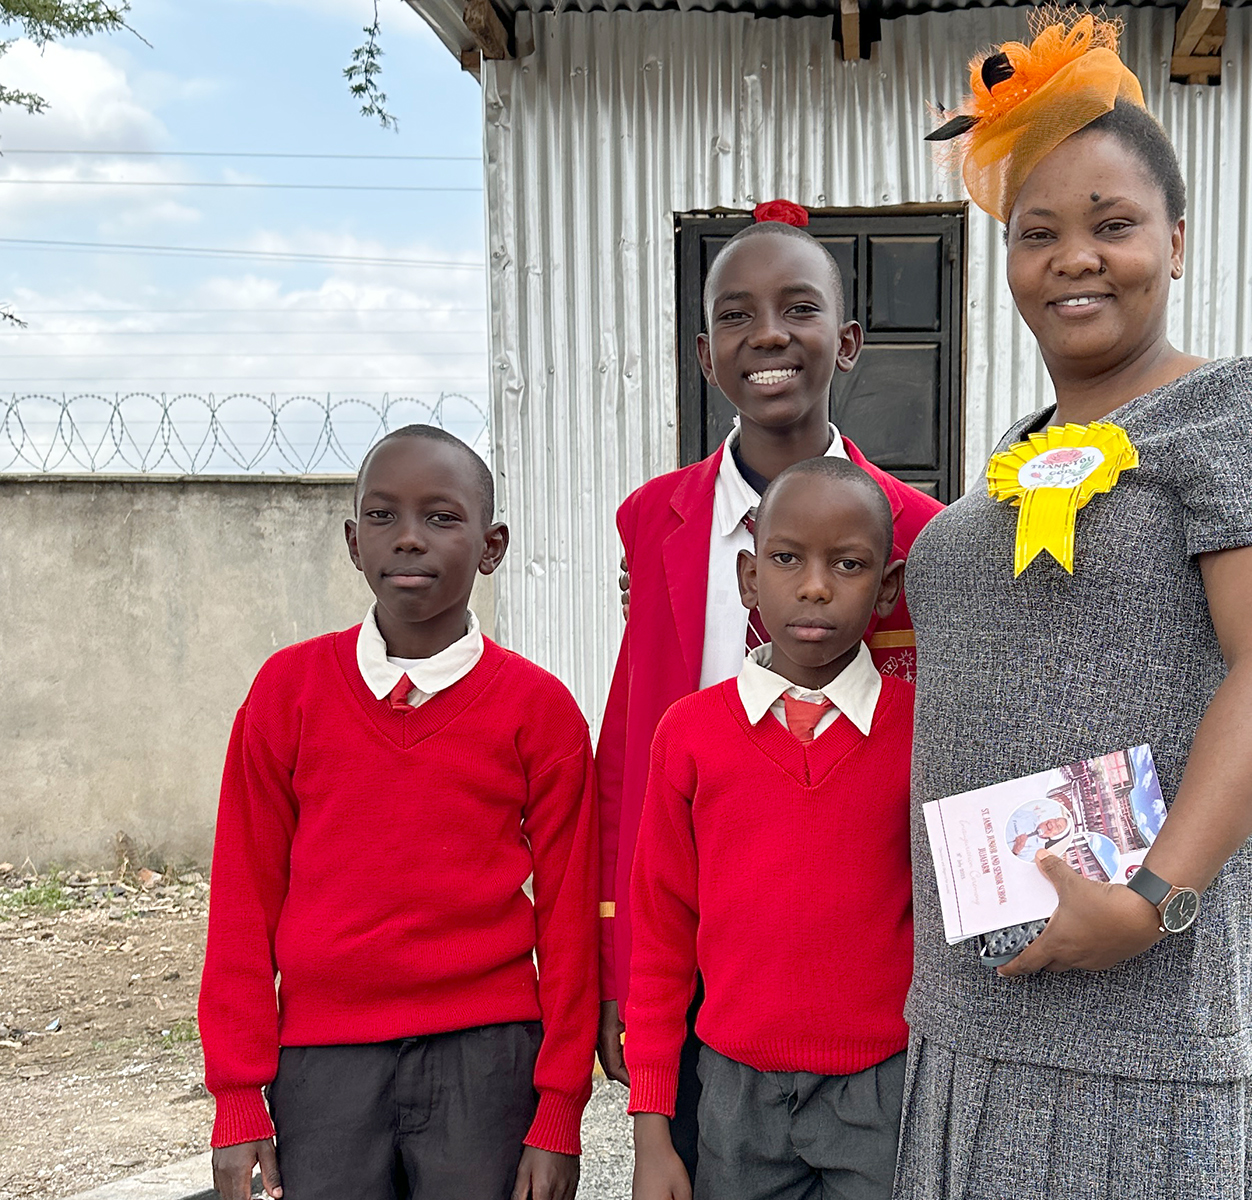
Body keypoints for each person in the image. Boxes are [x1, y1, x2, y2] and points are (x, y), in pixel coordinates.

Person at [897, 12, 1252, 1199]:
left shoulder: (1235, 411)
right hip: (978, 986)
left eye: (1113, 225)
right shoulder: (1021, 449)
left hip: (1138, 990)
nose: (1074, 257)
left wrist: (1150, 902)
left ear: (1176, 242)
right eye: (1037, 233)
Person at [595, 203, 943, 1175]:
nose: (770, 335)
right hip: (713, 958)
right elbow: (629, 752)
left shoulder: (922, 536)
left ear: (848, 342)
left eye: (798, 308)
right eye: (738, 316)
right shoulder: (654, 522)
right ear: (706, 355)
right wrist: (619, 959)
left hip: (860, 989)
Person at [198, 425, 597, 1200]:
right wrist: (239, 1098)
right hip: (323, 1063)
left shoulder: (538, 711)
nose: (409, 539)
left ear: (492, 545)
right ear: (353, 541)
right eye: (382, 517)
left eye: (442, 517)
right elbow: (242, 897)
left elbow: (571, 916)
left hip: (486, 1060)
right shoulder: (288, 693)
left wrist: (559, 1110)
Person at [623, 458, 915, 1200]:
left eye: (847, 564)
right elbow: (659, 935)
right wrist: (653, 1131)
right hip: (733, 1093)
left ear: (887, 588)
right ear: (750, 577)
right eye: (787, 559)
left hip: (883, 1089)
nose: (814, 586)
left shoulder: (922, 734)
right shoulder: (688, 735)